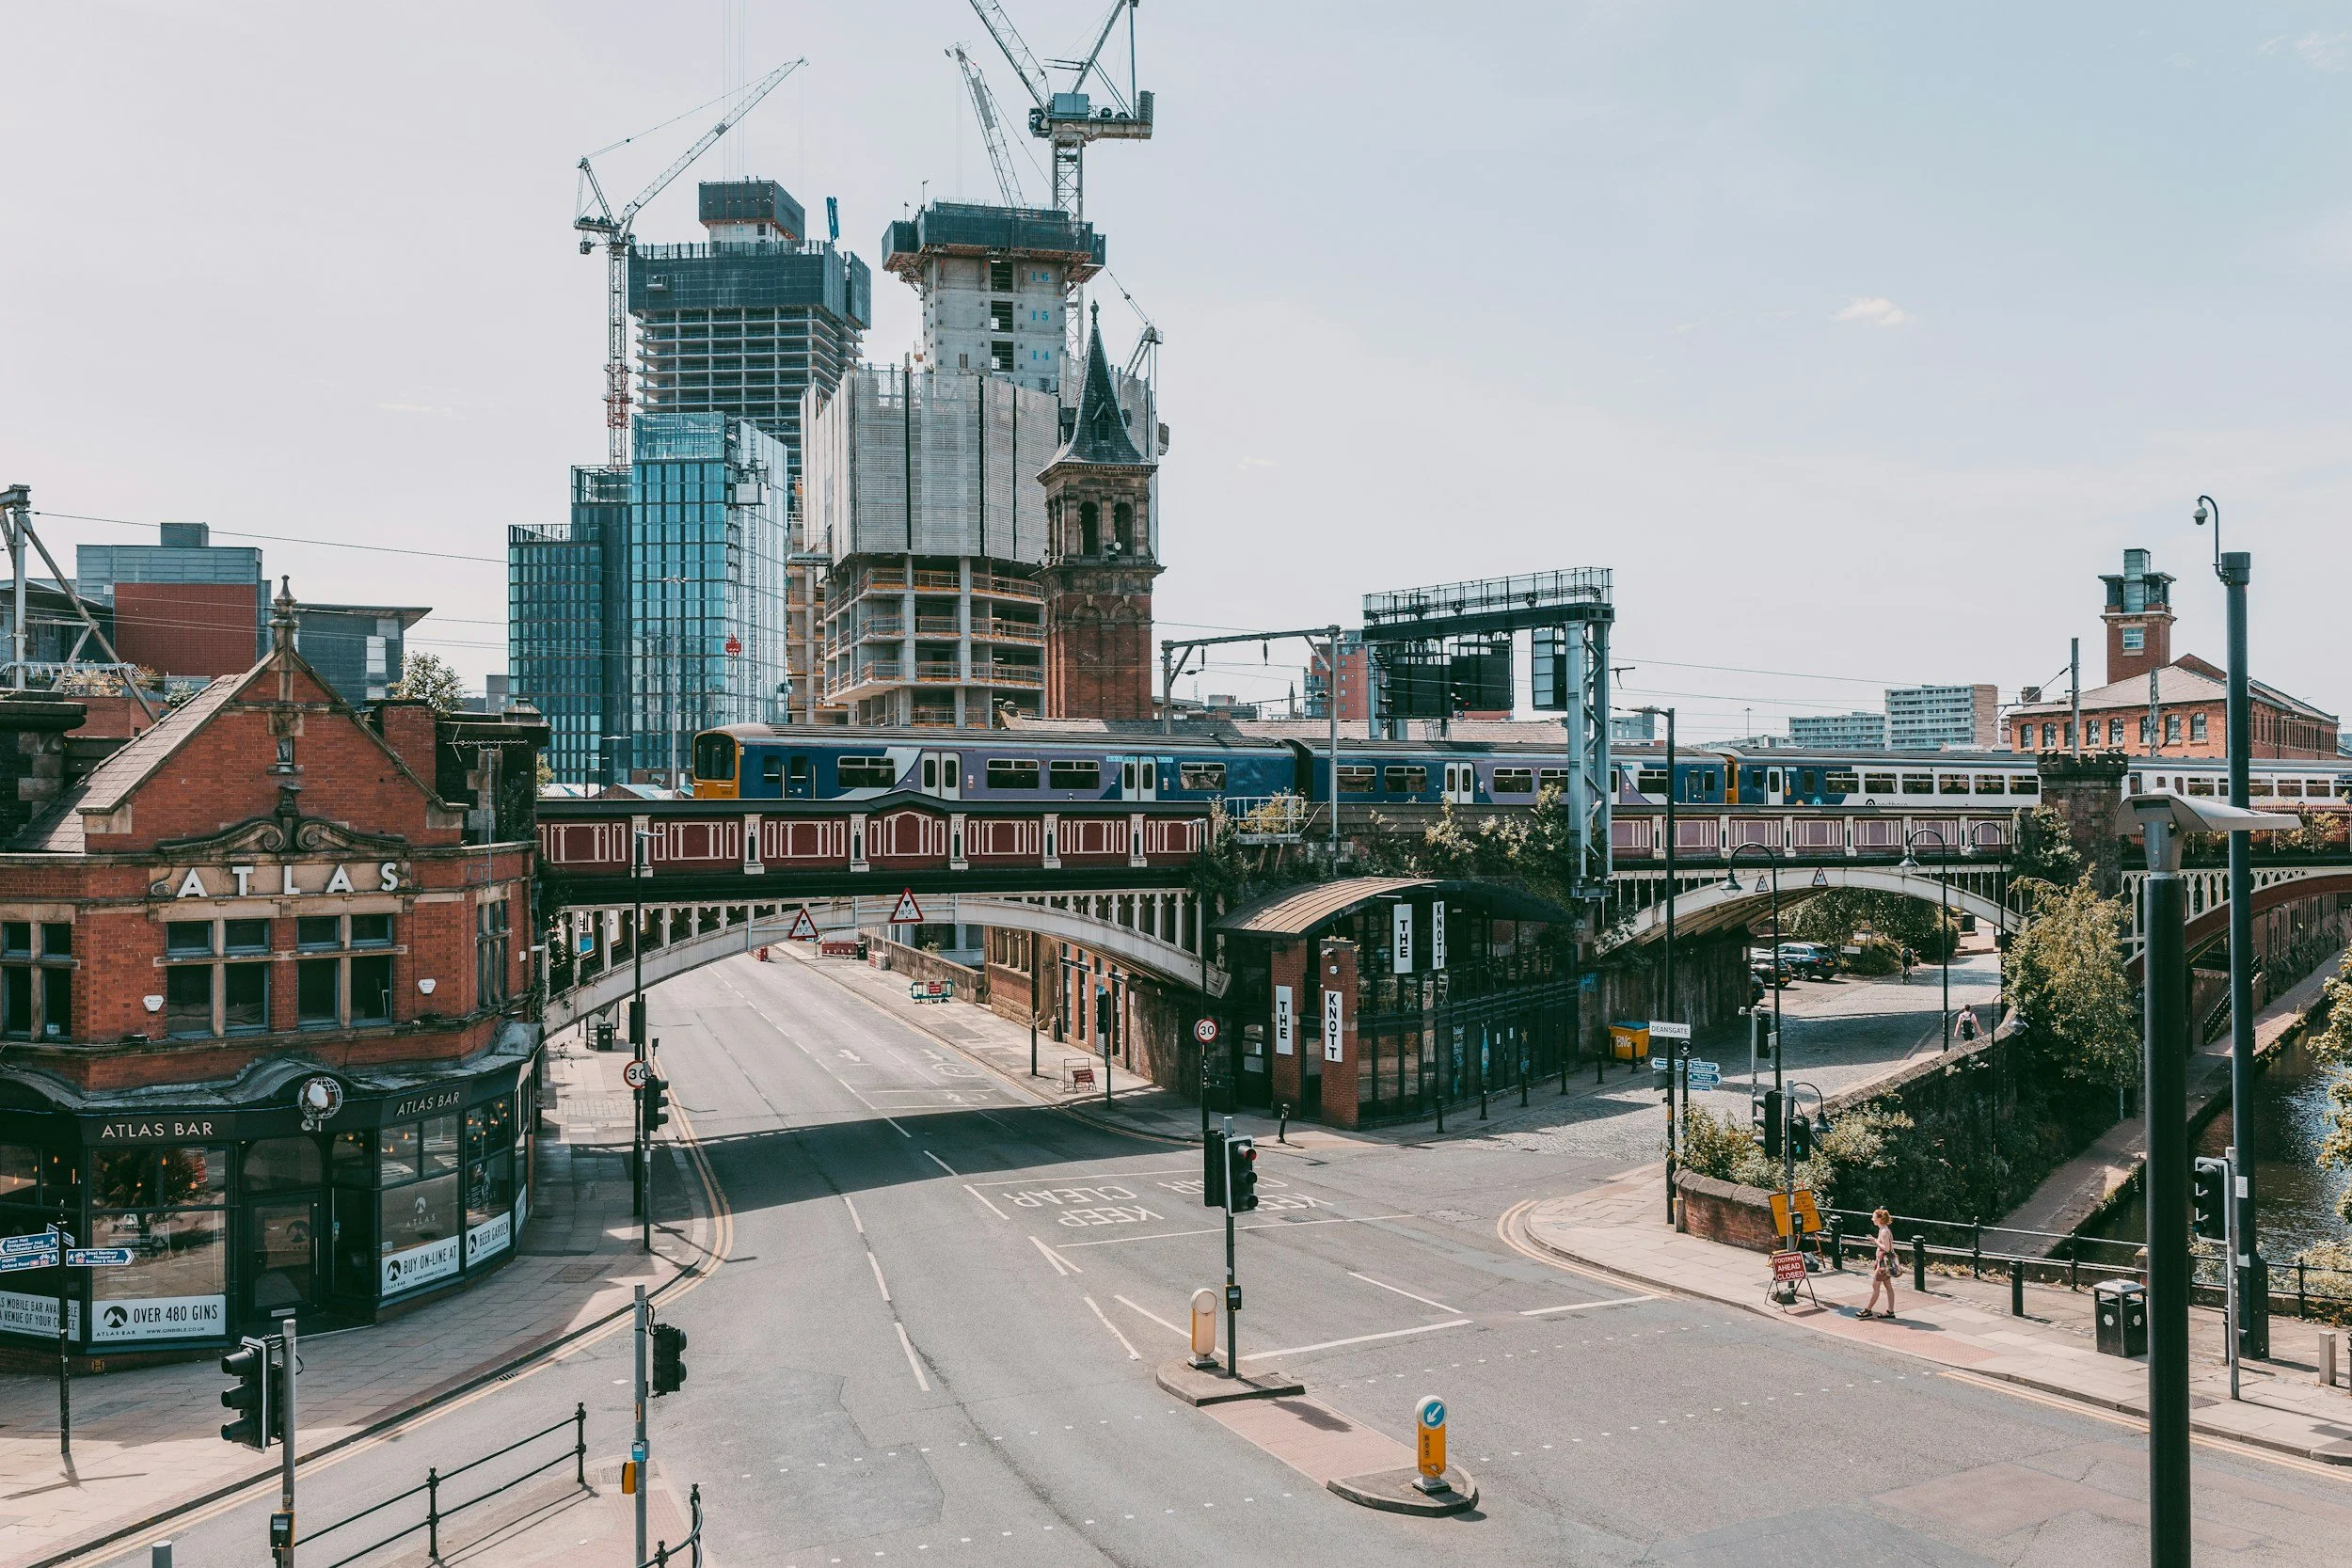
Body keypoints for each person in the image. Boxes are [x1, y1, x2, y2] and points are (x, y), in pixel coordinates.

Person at [1859, 1206, 1899, 1319]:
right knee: (1888, 1286)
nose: (1872, 1219)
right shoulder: (1883, 1229)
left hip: (1883, 1264)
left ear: (1879, 1219)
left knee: (1875, 1286)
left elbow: (1887, 1248)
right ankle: (1890, 1311)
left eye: (1874, 1217)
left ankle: (1868, 1310)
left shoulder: (1884, 1232)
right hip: (1884, 1263)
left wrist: (1875, 1241)